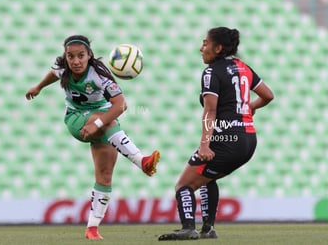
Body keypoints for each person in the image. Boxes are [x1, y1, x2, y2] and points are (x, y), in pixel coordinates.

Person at [25, 35, 160, 240]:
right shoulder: (63, 67)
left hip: (102, 125)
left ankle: (92, 228)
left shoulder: (99, 75)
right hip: (76, 120)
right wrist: (38, 87)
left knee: (104, 175)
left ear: (89, 55)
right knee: (107, 121)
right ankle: (141, 161)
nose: (76, 61)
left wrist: (97, 124)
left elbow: (121, 105)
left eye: (81, 56)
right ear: (66, 56)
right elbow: (53, 74)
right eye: (71, 56)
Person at [158, 27, 274, 241]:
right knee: (206, 179)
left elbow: (210, 111)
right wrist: (250, 108)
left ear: (218, 48)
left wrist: (205, 145)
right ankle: (208, 228)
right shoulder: (243, 67)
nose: (201, 48)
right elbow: (268, 95)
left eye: (205, 43)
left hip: (227, 139)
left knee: (183, 185)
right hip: (249, 140)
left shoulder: (211, 72)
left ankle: (188, 228)